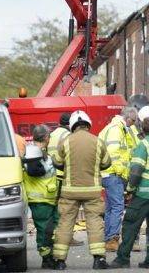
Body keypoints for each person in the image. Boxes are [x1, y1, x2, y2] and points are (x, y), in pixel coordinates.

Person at [108, 116, 149, 269]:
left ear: (142, 129)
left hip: (143, 195)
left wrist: (130, 189)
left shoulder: (143, 146)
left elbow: (136, 171)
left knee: (130, 224)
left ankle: (123, 258)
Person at [51, 110, 112, 270]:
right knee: (95, 223)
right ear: (88, 124)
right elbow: (106, 163)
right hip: (92, 192)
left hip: (70, 191)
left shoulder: (66, 141)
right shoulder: (97, 141)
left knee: (65, 223)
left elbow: (57, 162)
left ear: (72, 125)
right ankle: (98, 259)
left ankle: (59, 262)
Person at [97, 107, 139, 252]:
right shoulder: (116, 129)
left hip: (108, 174)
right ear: (127, 118)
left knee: (110, 207)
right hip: (114, 174)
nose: (133, 124)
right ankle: (112, 239)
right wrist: (123, 173)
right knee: (117, 207)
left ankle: (108, 237)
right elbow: (113, 154)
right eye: (132, 121)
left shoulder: (118, 128)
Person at [23, 125, 59, 269]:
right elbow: (34, 171)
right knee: (44, 230)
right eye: (49, 136)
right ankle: (46, 258)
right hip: (40, 199)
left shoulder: (39, 152)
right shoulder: (33, 152)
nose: (49, 139)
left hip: (48, 198)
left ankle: (50, 255)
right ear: (45, 137)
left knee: (52, 228)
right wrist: (49, 166)